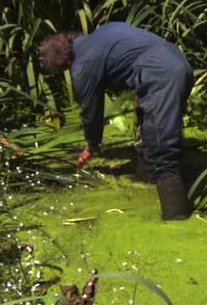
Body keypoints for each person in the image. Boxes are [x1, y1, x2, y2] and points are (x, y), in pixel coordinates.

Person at [40, 22, 194, 220]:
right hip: (180, 63)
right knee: (153, 135)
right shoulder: (106, 30)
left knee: (163, 152)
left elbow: (91, 111)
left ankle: (177, 217)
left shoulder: (83, 65)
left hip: (159, 75)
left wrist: (92, 144)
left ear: (63, 63)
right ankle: (149, 179)